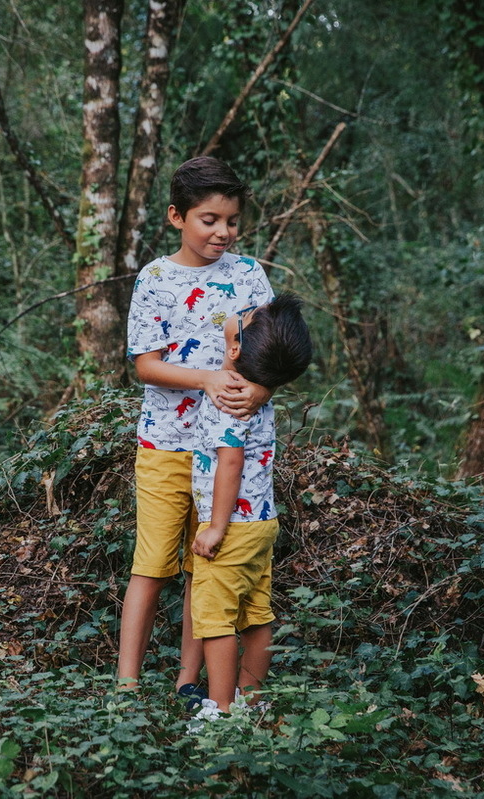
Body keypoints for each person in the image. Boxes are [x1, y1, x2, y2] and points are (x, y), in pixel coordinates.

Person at [119, 156, 274, 698]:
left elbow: (272, 354)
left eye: (231, 221)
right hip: (165, 441)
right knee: (152, 564)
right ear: (176, 217)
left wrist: (261, 390)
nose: (222, 232)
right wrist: (207, 378)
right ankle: (126, 685)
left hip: (230, 449)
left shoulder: (249, 274)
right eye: (209, 220)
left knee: (203, 562)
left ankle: (189, 682)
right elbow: (146, 365)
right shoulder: (156, 278)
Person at [188, 293, 312, 721]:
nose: (243, 310)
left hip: (233, 526)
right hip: (262, 522)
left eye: (247, 316)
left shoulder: (229, 399)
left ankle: (221, 711)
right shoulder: (258, 393)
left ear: (236, 349)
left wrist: (215, 527)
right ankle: (251, 702)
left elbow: (231, 462)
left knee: (215, 618)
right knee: (257, 614)